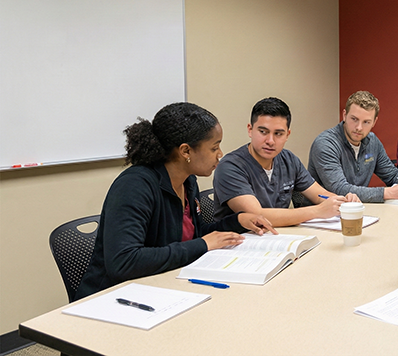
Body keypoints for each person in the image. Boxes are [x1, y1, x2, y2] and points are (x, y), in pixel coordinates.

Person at [76, 103, 276, 300]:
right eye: (214, 147)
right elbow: (124, 262)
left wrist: (238, 221)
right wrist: (202, 245)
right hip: (113, 299)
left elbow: (194, 236)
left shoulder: (188, 181)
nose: (220, 154)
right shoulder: (135, 185)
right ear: (186, 151)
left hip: (162, 287)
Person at [212, 97, 359, 226]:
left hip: (280, 238)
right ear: (250, 130)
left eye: (278, 134)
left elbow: (320, 195)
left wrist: (342, 201)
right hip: (240, 244)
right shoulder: (230, 166)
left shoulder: (288, 160)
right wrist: (318, 211)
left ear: (287, 134)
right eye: (263, 132)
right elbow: (256, 215)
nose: (270, 141)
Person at [307, 90, 398, 203]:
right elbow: (340, 189)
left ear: (374, 122)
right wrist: (387, 193)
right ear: (344, 115)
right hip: (322, 216)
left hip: (359, 210)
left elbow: (392, 175)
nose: (359, 127)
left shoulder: (372, 141)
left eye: (366, 122)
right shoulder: (326, 143)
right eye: (354, 119)